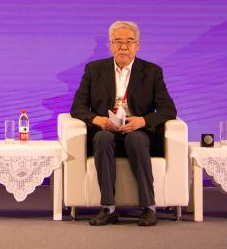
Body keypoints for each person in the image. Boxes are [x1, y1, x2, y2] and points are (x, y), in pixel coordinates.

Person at [69, 20, 176, 226]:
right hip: (107, 131)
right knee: (102, 138)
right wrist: (97, 120)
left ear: (138, 45)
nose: (123, 47)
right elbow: (77, 107)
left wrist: (142, 121)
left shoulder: (152, 72)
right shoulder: (94, 69)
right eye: (118, 41)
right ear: (111, 45)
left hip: (138, 133)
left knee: (136, 139)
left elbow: (168, 110)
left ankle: (148, 207)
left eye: (129, 41)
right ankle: (108, 208)